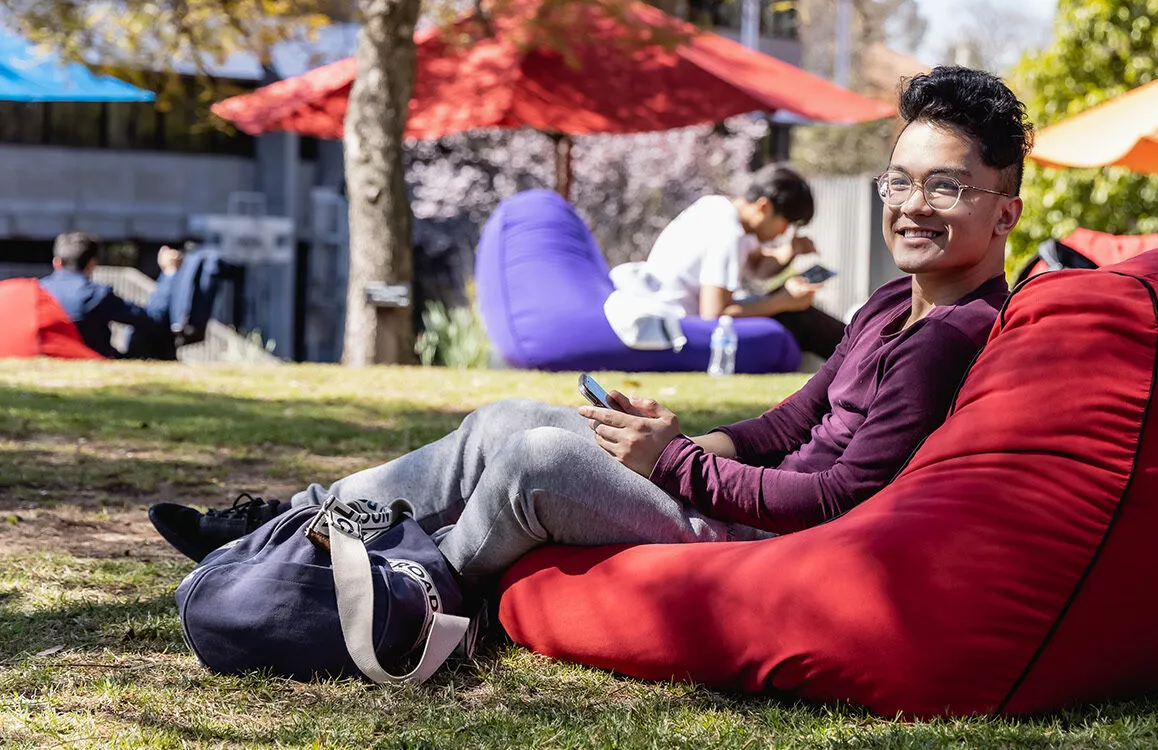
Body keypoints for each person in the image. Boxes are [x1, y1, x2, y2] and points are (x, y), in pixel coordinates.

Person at [150, 66, 1033, 590]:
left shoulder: (950, 336)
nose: (913, 206)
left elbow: (838, 498)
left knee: (539, 461)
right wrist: (668, 439)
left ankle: (407, 592)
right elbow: (788, 426)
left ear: (1004, 212)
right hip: (735, 497)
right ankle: (286, 525)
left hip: (773, 541)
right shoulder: (888, 306)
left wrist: (673, 464)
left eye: (946, 186)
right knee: (506, 420)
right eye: (899, 182)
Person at [643, 163, 847, 360]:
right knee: (797, 318)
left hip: (666, 320)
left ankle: (857, 348)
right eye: (786, 224)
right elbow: (714, 314)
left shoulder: (719, 208)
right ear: (764, 207)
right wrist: (782, 302)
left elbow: (758, 267)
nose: (784, 233)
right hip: (679, 331)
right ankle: (859, 352)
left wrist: (791, 251)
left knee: (786, 306)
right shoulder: (727, 233)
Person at [38, 232, 165, 360]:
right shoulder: (97, 294)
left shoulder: (36, 291)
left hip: (44, 358)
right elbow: (147, 318)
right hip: (91, 361)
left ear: (56, 262)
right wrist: (169, 275)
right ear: (92, 263)